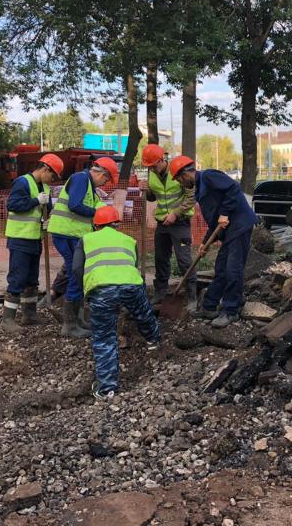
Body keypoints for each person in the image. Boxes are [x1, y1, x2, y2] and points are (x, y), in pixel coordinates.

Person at [71, 206, 161, 399]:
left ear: (96, 225)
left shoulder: (86, 239)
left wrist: (87, 289)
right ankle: (154, 342)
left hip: (102, 289)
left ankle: (106, 388)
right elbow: (132, 264)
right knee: (144, 314)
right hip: (132, 285)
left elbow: (77, 268)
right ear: (117, 224)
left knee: (104, 337)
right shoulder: (129, 240)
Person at [171, 156, 258, 328]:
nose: (181, 184)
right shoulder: (200, 190)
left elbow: (233, 188)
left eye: (179, 180)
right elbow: (214, 221)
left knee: (233, 269)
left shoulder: (209, 176)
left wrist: (225, 213)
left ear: (185, 175)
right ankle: (209, 307)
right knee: (221, 269)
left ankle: (231, 310)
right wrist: (205, 243)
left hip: (240, 226)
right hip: (229, 231)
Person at [48, 156, 118, 337]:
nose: (105, 184)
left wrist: (109, 216)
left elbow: (96, 206)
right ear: (102, 174)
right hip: (66, 234)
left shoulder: (89, 187)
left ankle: (77, 320)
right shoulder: (81, 179)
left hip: (72, 235)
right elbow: (75, 205)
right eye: (106, 180)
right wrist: (97, 214)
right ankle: (70, 326)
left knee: (78, 275)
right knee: (75, 275)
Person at [1, 154, 63, 333]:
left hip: (35, 238)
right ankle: (7, 320)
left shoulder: (44, 187)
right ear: (45, 169)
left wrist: (47, 220)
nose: (52, 180)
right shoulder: (22, 182)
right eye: (52, 176)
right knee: (17, 278)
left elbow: (46, 210)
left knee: (31, 279)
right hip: (20, 238)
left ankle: (29, 315)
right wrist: (36, 201)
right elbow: (13, 205)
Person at [141, 144, 197, 307]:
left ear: (161, 160)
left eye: (153, 165)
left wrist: (176, 213)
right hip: (162, 224)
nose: (151, 169)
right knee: (160, 259)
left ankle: (192, 296)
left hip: (180, 223)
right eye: (149, 166)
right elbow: (153, 197)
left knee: (184, 260)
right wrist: (146, 190)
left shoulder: (178, 171)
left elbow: (191, 197)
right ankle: (160, 292)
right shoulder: (152, 174)